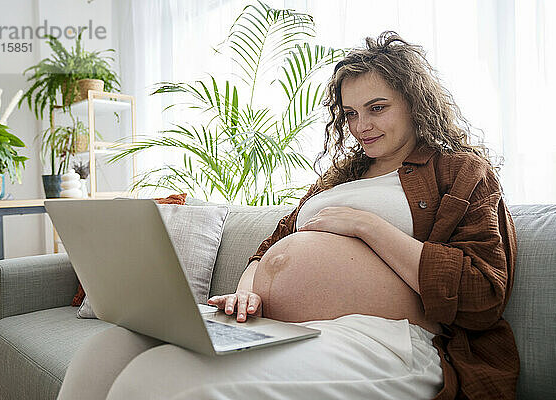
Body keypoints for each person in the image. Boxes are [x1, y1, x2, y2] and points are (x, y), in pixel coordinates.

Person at [58, 32, 518, 400]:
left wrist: (366, 227)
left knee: (160, 377)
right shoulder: (341, 176)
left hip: (389, 341)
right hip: (275, 325)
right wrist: (245, 293)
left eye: (377, 108)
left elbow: (482, 295)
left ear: (415, 103)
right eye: (351, 113)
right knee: (107, 348)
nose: (361, 126)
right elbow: (270, 249)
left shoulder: (458, 171)